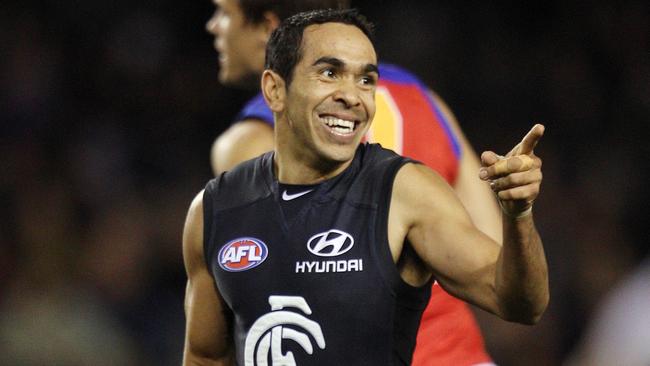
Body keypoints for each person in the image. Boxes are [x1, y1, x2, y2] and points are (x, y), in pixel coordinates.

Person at [183, 9, 549, 365]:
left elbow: (515, 297)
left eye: (365, 80)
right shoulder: (416, 94)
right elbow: (207, 353)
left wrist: (519, 213)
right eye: (329, 72)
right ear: (274, 88)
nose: (352, 96)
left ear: (267, 23)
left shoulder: (244, 145)